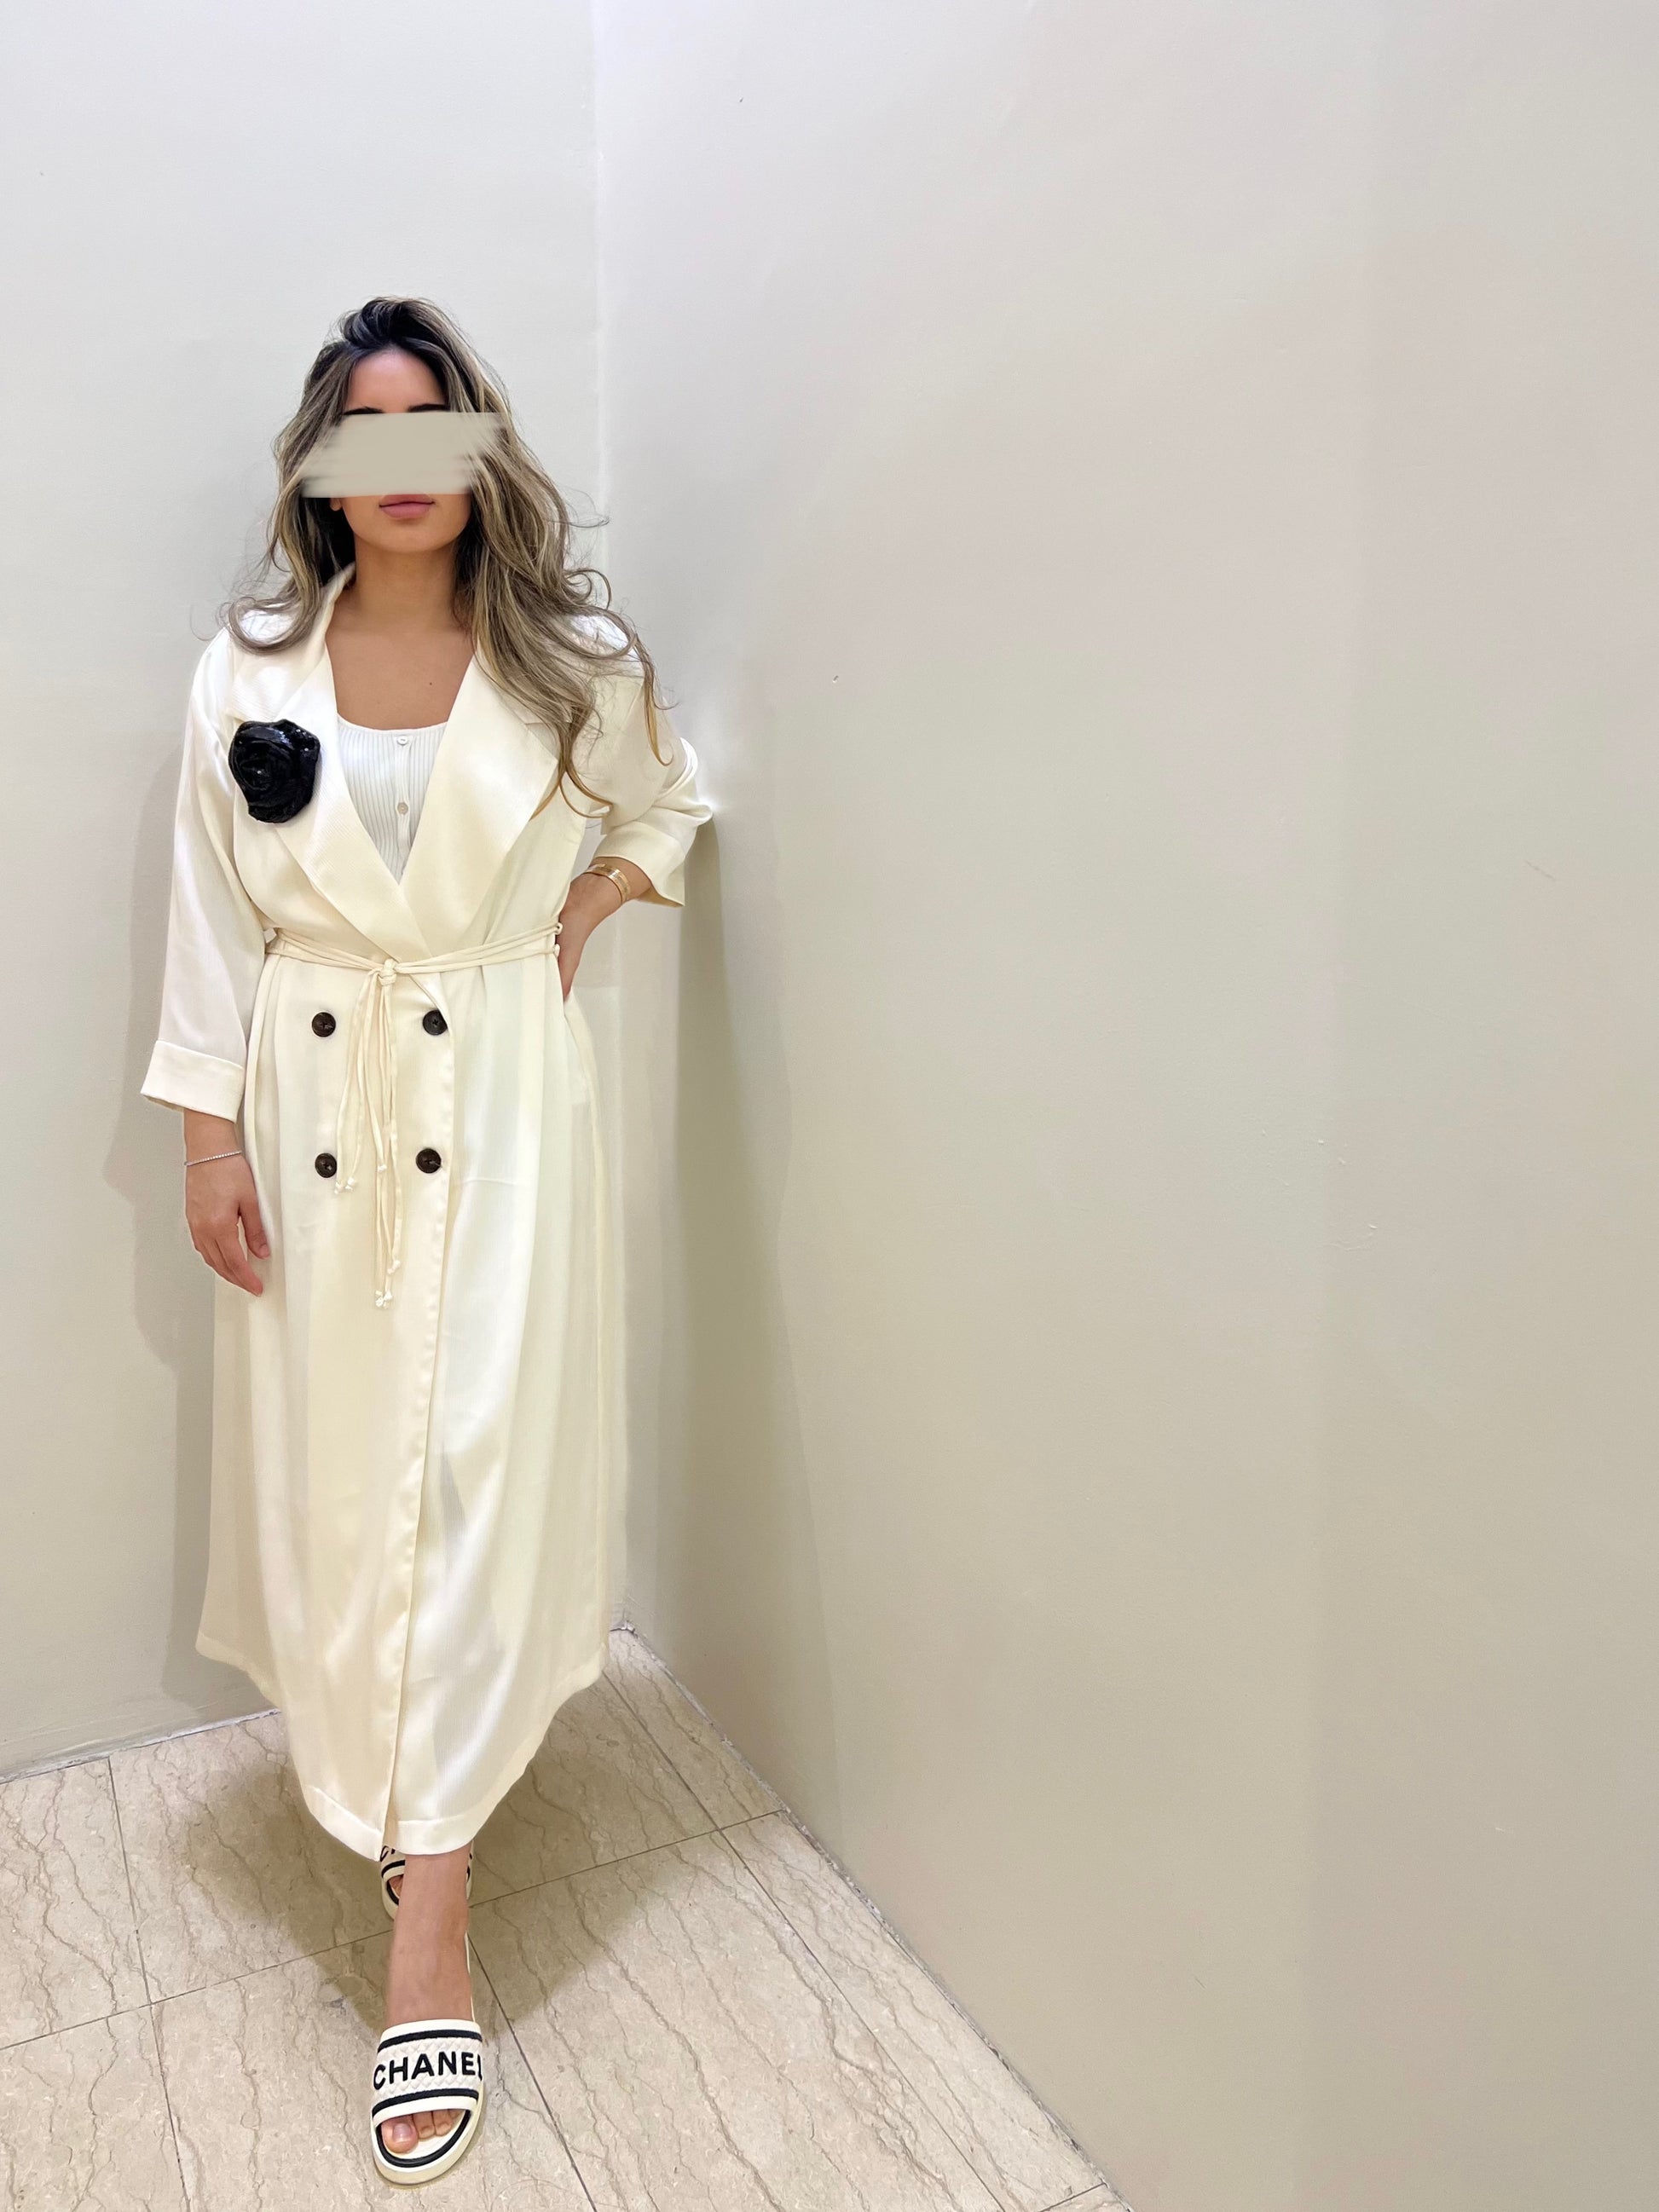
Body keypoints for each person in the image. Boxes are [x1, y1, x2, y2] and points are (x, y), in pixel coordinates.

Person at [140, 295, 712, 2183]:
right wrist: (207, 1138)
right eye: (363, 431)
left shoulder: (572, 663)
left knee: (473, 1466)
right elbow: (213, 913)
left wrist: (580, 914)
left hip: (508, 1099)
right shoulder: (247, 669)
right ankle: (392, 1776)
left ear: (478, 453)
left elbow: (672, 800)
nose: (400, 466)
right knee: (341, 1476)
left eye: (431, 426)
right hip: (311, 1107)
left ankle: (433, 1925)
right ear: (322, 465)